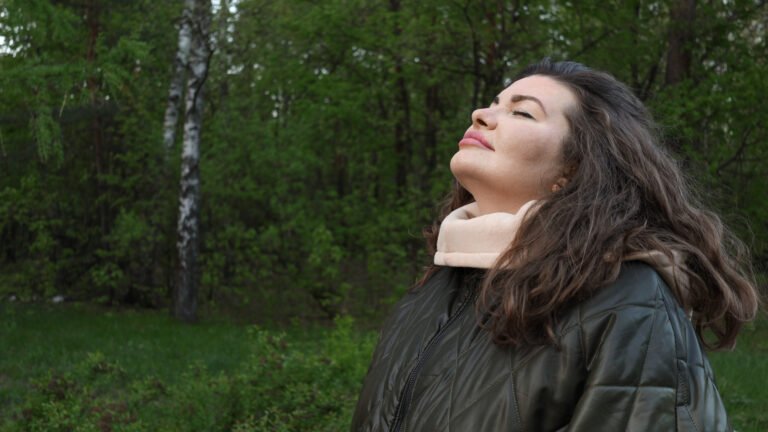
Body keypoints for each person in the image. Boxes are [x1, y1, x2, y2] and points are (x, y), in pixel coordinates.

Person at [350, 59, 760, 431]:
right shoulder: (434, 287)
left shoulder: (627, 300)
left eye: (522, 111)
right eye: (494, 103)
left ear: (574, 168)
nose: (481, 115)